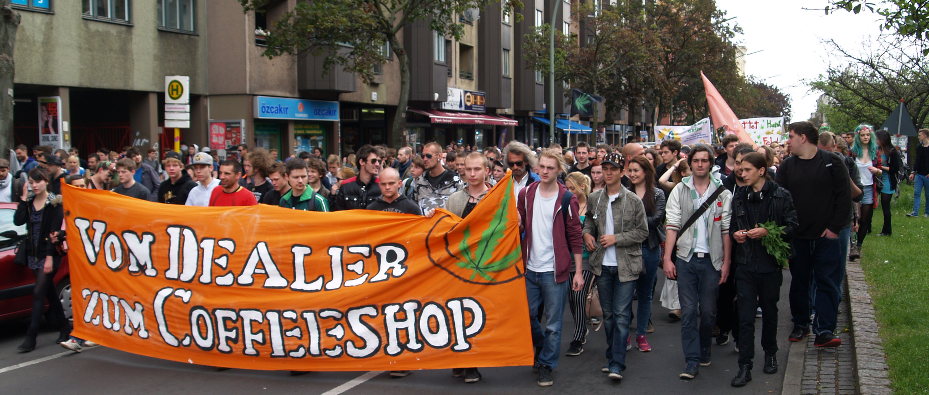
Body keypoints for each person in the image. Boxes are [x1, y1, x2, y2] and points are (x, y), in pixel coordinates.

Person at [777, 121, 851, 348]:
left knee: (827, 282)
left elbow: (843, 198)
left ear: (802, 137)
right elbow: (780, 200)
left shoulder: (832, 163)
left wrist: (834, 229)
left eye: (790, 136)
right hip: (798, 236)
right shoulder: (787, 167)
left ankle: (825, 330)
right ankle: (801, 324)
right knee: (799, 282)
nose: (788, 141)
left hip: (825, 237)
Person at [662, 143, 732, 380]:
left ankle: (704, 349)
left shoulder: (723, 193)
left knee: (709, 312)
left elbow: (725, 231)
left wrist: (727, 263)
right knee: (690, 311)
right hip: (685, 258)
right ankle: (691, 360)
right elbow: (671, 225)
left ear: (711, 163)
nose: (700, 164)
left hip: (712, 261)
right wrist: (667, 258)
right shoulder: (679, 191)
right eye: (696, 160)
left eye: (704, 160)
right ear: (689, 164)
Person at [729, 152, 798, 387]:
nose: (742, 173)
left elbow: (792, 226)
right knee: (745, 316)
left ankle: (770, 353)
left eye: (747, 169)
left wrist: (768, 231)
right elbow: (732, 227)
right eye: (741, 169)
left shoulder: (781, 195)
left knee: (770, 311)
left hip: (769, 265)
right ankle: (744, 365)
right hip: (746, 263)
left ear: (761, 171)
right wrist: (736, 234)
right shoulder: (739, 195)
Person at [517, 149, 584, 387]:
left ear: (559, 171)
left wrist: (577, 272)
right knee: (526, 316)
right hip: (530, 268)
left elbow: (575, 236)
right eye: (542, 167)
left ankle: (546, 364)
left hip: (555, 270)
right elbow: (520, 225)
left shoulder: (567, 198)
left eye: (550, 168)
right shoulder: (526, 194)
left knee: (554, 324)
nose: (545, 171)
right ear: (536, 168)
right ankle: (543, 348)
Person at [583, 153, 649, 381]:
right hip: (602, 265)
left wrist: (616, 238)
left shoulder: (633, 200)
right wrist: (587, 234)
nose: (608, 173)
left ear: (622, 172)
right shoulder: (595, 198)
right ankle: (613, 355)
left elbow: (643, 232)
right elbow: (590, 221)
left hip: (626, 265)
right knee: (609, 315)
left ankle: (617, 364)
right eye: (605, 169)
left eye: (613, 169)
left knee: (621, 315)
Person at [14, 167, 69, 353]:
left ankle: (31, 336)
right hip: (32, 254)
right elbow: (18, 221)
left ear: (46, 181)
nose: (34, 185)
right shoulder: (29, 202)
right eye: (31, 182)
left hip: (49, 254)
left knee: (38, 293)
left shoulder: (55, 202)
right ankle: (64, 328)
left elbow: (54, 232)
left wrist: (48, 259)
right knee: (50, 292)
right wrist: (22, 200)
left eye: (38, 181)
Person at [625, 155, 666, 352]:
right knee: (624, 295)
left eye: (636, 170)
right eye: (630, 170)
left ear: (646, 172)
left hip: (649, 249)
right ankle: (624, 335)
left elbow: (657, 218)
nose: (632, 174)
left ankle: (641, 334)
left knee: (645, 294)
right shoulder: (624, 193)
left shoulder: (657, 194)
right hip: (627, 249)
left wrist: (634, 224)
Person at [559, 171, 597, 357]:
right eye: (567, 188)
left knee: (579, 294)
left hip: (588, 258)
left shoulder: (593, 205)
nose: (569, 191)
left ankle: (578, 336)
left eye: (572, 188)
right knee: (572, 299)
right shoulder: (566, 204)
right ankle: (581, 327)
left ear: (582, 187)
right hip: (570, 258)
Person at [851, 125, 880, 257]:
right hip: (855, 189)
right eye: (862, 135)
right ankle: (852, 245)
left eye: (867, 135)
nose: (865, 137)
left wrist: (877, 171)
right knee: (854, 218)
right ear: (858, 136)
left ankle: (858, 246)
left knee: (865, 219)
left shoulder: (875, 151)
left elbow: (880, 170)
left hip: (869, 188)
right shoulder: (853, 152)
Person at [411, 142, 463, 214]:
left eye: (428, 156)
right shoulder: (419, 180)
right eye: (423, 156)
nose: (425, 159)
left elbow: (460, 210)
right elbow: (414, 207)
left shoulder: (455, 181)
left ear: (439, 156)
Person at [332, 145, 382, 211]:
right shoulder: (346, 186)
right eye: (373, 161)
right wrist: (332, 195)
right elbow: (337, 212)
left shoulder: (382, 185)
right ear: (362, 162)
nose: (377, 164)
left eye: (379, 161)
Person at [874, 130, 901, 236]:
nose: (876, 141)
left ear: (883, 140)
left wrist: (880, 167)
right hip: (878, 180)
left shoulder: (892, 152)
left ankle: (887, 230)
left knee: (885, 206)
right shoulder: (877, 150)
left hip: (888, 181)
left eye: (877, 139)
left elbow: (895, 169)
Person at [908, 129, 929, 217]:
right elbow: (917, 161)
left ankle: (927, 213)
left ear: (925, 135)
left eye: (920, 135)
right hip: (919, 174)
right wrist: (913, 172)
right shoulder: (918, 147)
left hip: (928, 175)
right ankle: (915, 212)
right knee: (917, 193)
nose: (918, 137)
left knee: (928, 195)